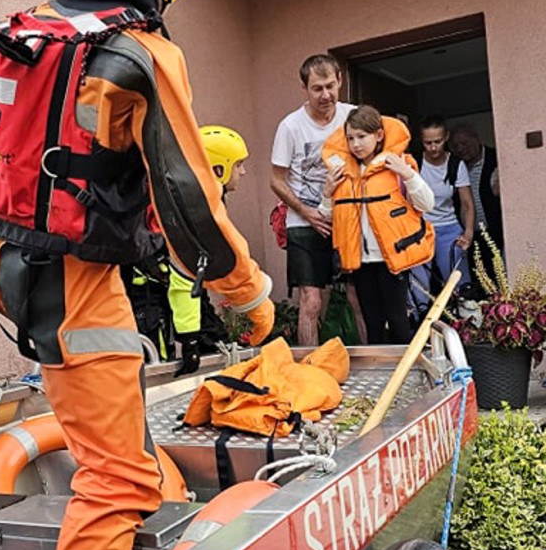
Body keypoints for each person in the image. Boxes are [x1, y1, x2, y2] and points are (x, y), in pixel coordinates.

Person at [0, 0, 274, 550]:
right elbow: (187, 200)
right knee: (117, 481)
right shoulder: (141, 54)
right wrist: (249, 296)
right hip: (72, 279)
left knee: (114, 448)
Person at [319, 105, 435, 344]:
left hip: (391, 260)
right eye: (350, 138)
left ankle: (406, 376)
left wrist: (408, 175)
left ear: (379, 135)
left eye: (362, 137)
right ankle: (381, 376)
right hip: (361, 262)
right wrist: (327, 193)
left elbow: (427, 203)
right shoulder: (342, 172)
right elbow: (329, 217)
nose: (356, 144)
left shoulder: (398, 165)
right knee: (372, 324)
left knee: (398, 322)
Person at [269, 54, 357, 346]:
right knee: (311, 300)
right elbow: (276, 180)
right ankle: (310, 370)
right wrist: (306, 212)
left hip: (347, 218)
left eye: (330, 86)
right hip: (304, 221)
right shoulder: (291, 126)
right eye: (317, 88)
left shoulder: (353, 116)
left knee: (358, 296)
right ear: (304, 88)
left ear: (340, 81)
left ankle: (374, 361)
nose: (326, 95)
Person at [168, 125, 248, 375]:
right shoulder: (196, 210)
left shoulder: (208, 200)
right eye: (238, 165)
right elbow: (183, 276)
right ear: (218, 169)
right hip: (167, 305)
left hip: (188, 302)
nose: (243, 172)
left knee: (218, 344)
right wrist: (190, 340)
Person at [409, 115, 474, 313]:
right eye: (428, 142)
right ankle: (417, 330)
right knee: (418, 289)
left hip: (449, 228)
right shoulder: (414, 164)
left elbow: (467, 204)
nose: (433, 147)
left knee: (459, 285)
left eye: (437, 141)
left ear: (446, 138)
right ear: (422, 141)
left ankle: (468, 330)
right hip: (420, 230)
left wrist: (468, 232)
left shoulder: (456, 165)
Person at [448, 124, 503, 283]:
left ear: (476, 140)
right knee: (477, 277)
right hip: (468, 235)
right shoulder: (455, 166)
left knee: (497, 275)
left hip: (494, 231)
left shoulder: (495, 158)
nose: (460, 149)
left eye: (464, 143)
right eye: (455, 146)